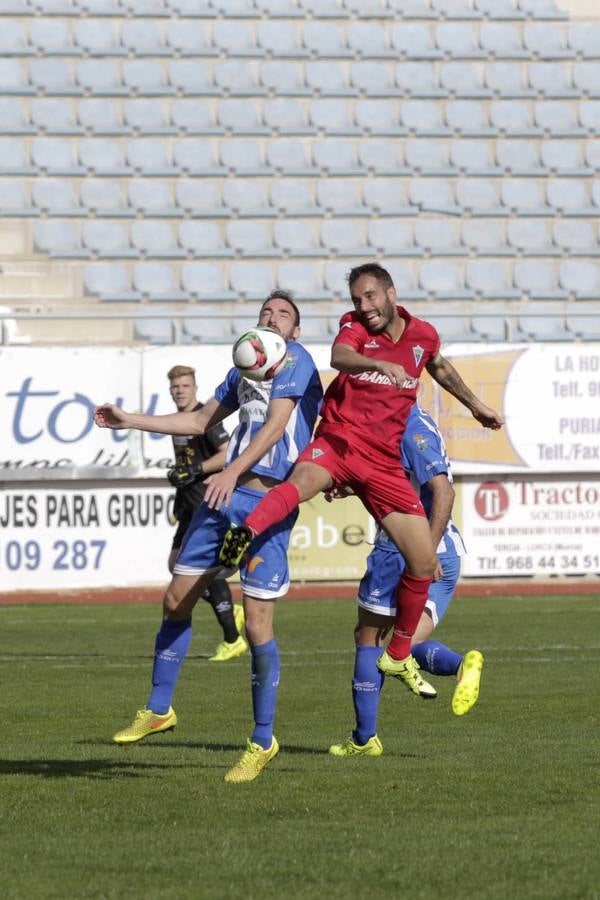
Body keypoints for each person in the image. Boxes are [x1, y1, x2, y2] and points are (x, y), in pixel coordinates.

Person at [220, 262, 503, 700]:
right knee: (295, 485)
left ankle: (400, 653)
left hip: (382, 463)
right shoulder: (353, 329)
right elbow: (340, 357)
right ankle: (246, 531)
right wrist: (377, 363)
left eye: (370, 296)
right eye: (357, 299)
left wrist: (476, 406)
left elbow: (440, 367)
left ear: (391, 293)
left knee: (425, 563)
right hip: (339, 442)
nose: (363, 306)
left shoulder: (422, 336)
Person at [94, 291, 323, 784]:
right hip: (225, 498)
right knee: (175, 599)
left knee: (258, 626)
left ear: (296, 331)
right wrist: (129, 419)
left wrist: (231, 470)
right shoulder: (243, 368)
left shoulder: (298, 361)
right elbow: (200, 421)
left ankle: (263, 740)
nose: (272, 319)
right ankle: (159, 709)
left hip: (266, 502)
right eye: (266, 312)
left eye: (283, 314)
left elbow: (278, 425)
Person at [328, 402, 483, 758]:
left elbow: (443, 491)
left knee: (368, 637)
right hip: (441, 550)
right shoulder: (396, 417)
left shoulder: (411, 426)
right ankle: (461, 666)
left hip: (408, 548)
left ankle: (364, 739)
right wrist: (350, 487)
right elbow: (395, 479)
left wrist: (423, 553)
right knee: (401, 646)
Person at [166, 364, 247, 663]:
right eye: (175, 386)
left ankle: (232, 638)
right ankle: (229, 610)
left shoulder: (207, 419)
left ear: (195, 388)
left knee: (199, 569)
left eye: (185, 386)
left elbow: (227, 454)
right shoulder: (180, 421)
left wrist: (196, 470)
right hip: (187, 503)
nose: (179, 390)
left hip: (205, 502)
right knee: (177, 565)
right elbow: (187, 464)